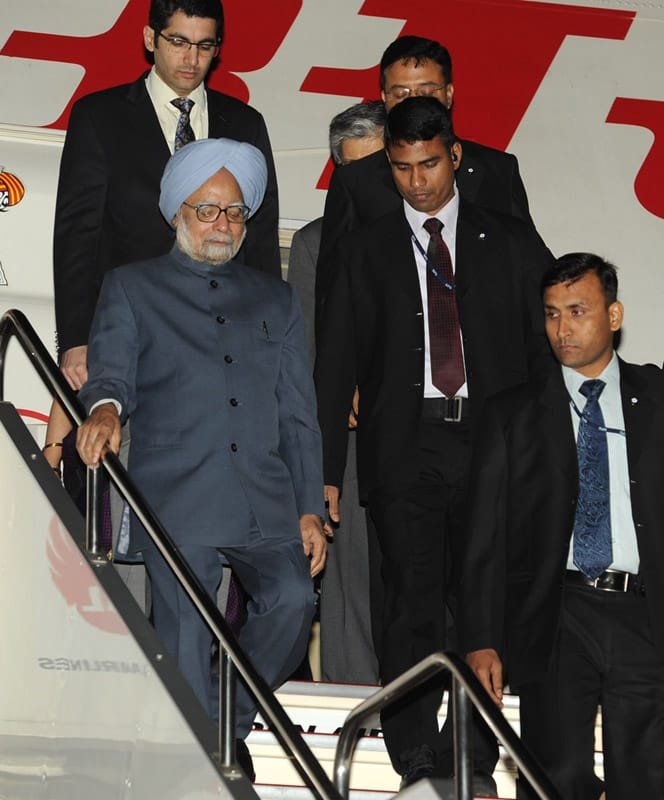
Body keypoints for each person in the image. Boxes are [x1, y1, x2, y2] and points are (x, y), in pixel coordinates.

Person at [315, 96, 552, 791]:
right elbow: (334, 364)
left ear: (454, 156)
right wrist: (327, 470)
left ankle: (472, 752)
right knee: (409, 603)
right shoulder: (367, 247)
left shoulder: (504, 241)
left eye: (429, 164)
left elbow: (544, 356)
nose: (418, 182)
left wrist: (539, 451)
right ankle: (415, 755)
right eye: (401, 168)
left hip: (489, 446)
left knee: (482, 604)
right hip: (404, 445)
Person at [76, 138, 328, 781]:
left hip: (265, 496)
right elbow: (110, 372)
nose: (224, 225)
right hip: (177, 492)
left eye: (235, 212)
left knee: (295, 602)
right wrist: (105, 408)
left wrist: (306, 508)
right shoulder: (133, 287)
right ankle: (193, 768)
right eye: (208, 210)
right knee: (184, 630)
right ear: (176, 213)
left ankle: (223, 718)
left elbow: (299, 413)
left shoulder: (276, 300)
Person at [461, 253, 664, 800]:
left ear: (614, 315)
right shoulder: (514, 412)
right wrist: (481, 639)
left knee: (647, 775)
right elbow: (483, 536)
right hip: (557, 613)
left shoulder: (658, 399)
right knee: (556, 773)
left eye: (578, 311)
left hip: (644, 613)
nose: (563, 329)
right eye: (551, 314)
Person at [54, 0, 280, 391]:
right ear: (149, 38)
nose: (191, 58)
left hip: (223, 332)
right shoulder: (99, 116)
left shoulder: (245, 122)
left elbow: (259, 237)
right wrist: (76, 338)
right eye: (178, 41)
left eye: (205, 46)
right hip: (128, 327)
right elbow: (77, 234)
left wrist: (268, 333)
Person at [316, 34, 537, 321]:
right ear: (384, 99)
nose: (414, 103)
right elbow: (332, 298)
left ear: (448, 94)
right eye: (401, 94)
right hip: (392, 353)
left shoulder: (496, 170)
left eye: (427, 91)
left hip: (487, 350)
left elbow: (532, 275)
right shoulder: (355, 181)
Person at [288, 101, 385, 684]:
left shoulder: (436, 235)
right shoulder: (315, 244)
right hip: (346, 451)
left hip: (425, 442)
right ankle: (358, 720)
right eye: (353, 172)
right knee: (350, 593)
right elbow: (303, 361)